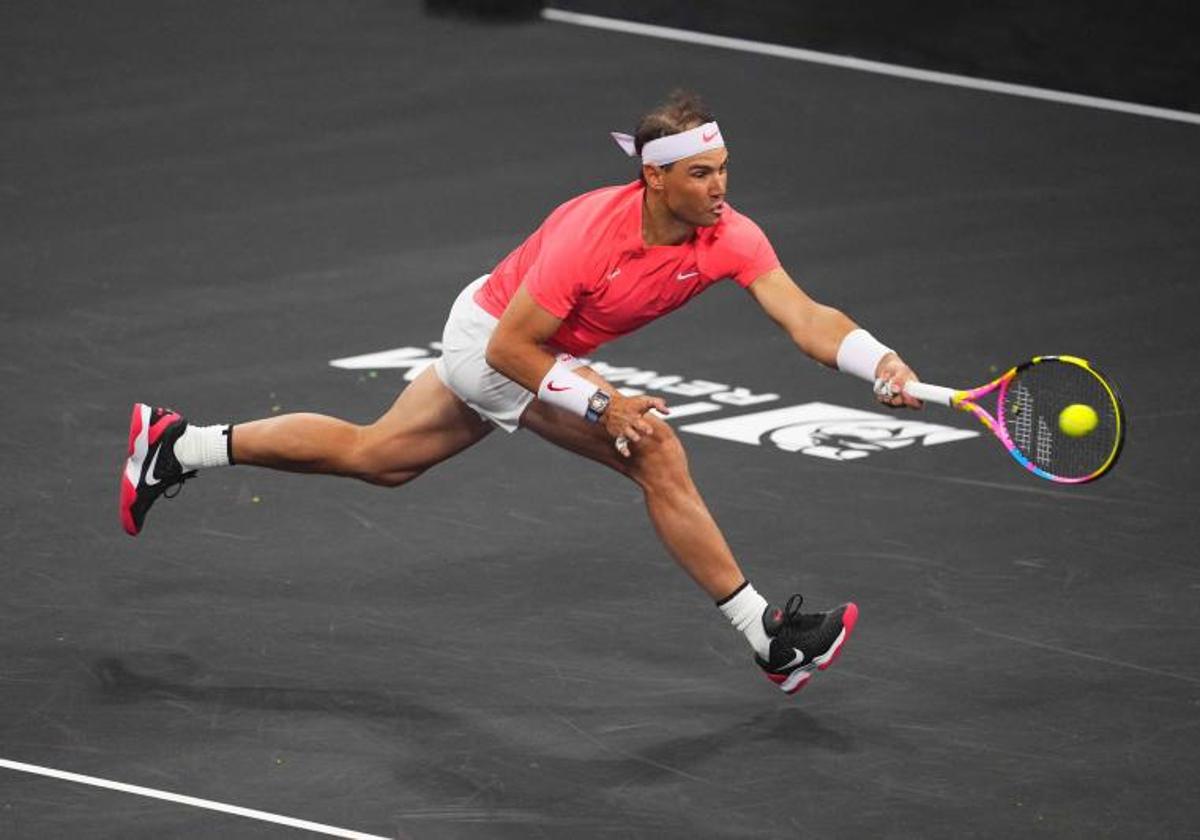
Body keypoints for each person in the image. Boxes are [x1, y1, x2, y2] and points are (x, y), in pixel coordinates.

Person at [119, 91, 921, 696]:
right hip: (494, 341)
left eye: (724, 169)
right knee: (655, 450)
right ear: (654, 176)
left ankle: (176, 444)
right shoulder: (589, 233)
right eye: (701, 173)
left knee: (379, 458)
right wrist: (606, 404)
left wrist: (879, 360)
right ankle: (768, 640)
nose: (721, 187)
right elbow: (510, 348)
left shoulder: (730, 235)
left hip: (527, 346)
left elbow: (806, 316)